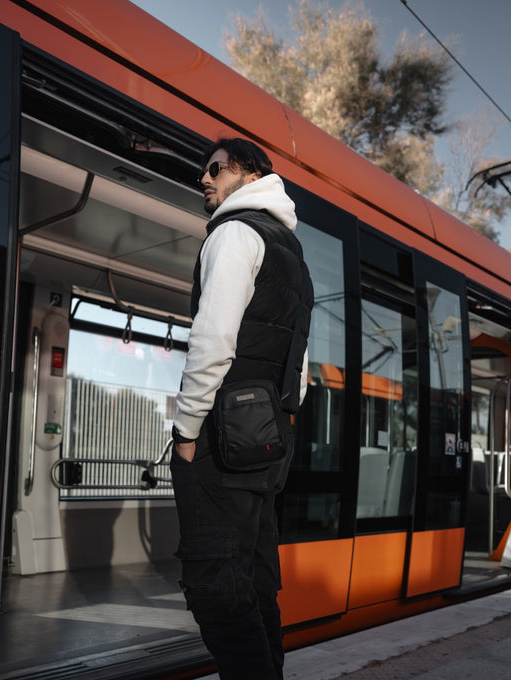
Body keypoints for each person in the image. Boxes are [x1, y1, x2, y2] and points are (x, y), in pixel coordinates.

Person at [170, 137, 313, 679]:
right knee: (253, 577)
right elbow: (299, 362)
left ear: (250, 174)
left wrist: (186, 432)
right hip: (268, 438)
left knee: (216, 586)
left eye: (215, 169)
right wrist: (280, 424)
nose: (203, 179)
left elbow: (213, 340)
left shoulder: (234, 233)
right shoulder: (293, 252)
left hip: (223, 439)